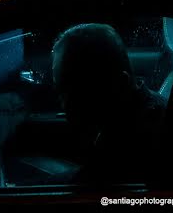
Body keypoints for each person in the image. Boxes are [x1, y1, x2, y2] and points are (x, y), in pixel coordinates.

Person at [51, 23, 166, 184]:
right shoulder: (134, 113)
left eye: (79, 91)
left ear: (119, 83)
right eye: (62, 91)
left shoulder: (134, 140)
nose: (65, 104)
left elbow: (93, 180)